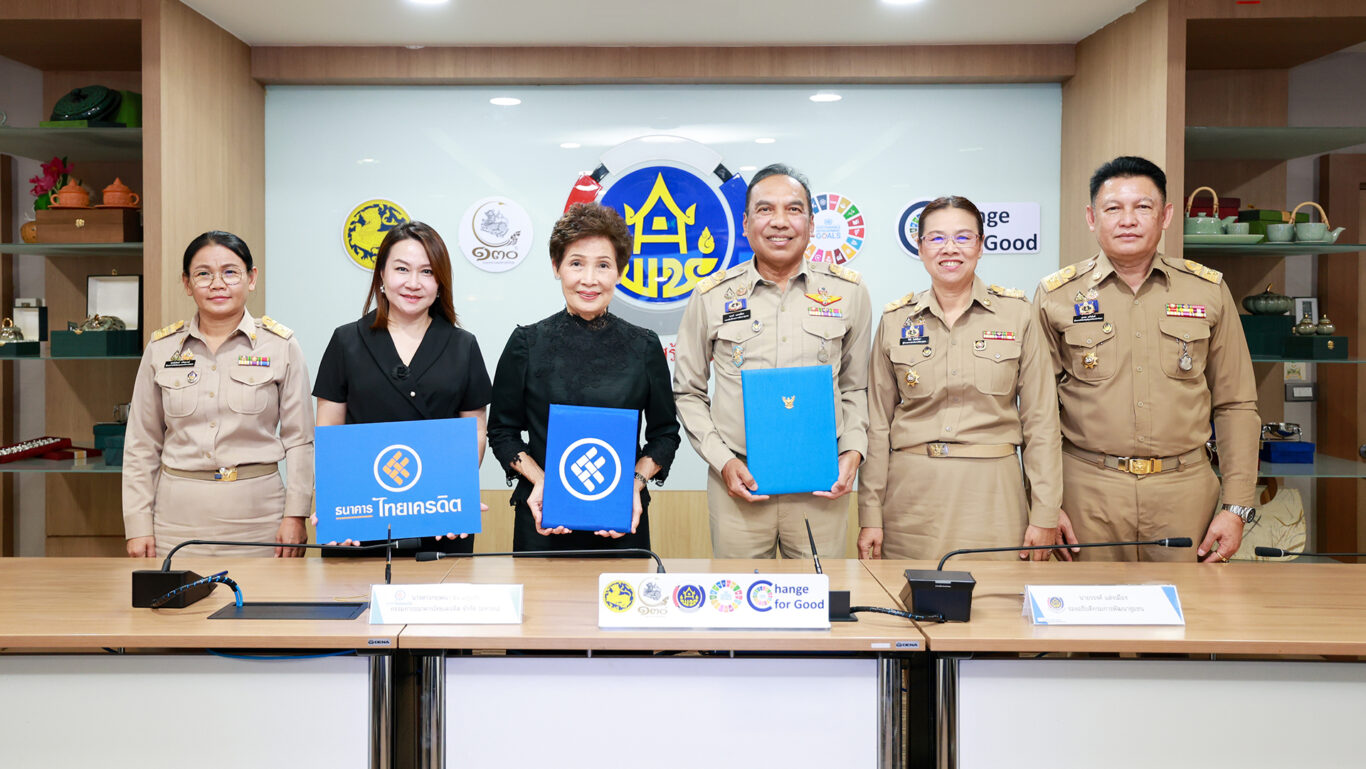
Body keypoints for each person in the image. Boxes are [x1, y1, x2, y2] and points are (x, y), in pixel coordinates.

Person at [1033, 156, 1260, 562]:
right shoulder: (1057, 296)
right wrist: (1045, 505)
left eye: (1142, 207)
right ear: (1091, 218)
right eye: (1113, 208)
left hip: (1184, 494)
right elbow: (1037, 413)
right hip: (1086, 494)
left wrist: (1237, 505)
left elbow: (1237, 404)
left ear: (1166, 215)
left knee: (1190, 602)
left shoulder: (1207, 291)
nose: (1128, 220)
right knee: (1086, 603)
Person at [673, 163, 871, 559]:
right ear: (746, 224)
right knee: (741, 595)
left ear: (811, 225)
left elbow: (856, 387)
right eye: (765, 210)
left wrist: (853, 451)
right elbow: (688, 392)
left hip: (821, 485)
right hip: (739, 484)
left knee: (819, 591)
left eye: (793, 209)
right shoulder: (711, 296)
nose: (780, 221)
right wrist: (722, 461)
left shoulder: (849, 292)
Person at [858, 197, 1064, 561]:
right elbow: (877, 426)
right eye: (937, 238)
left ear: (981, 246)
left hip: (993, 493)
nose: (950, 249)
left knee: (996, 594)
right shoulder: (896, 320)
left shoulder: (1017, 315)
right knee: (910, 593)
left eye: (963, 237)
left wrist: (1045, 510)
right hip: (911, 496)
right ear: (920, 247)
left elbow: (1041, 422)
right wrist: (870, 513)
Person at [488, 202, 680, 551]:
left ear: (620, 271)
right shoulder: (526, 343)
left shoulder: (644, 346)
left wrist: (634, 484)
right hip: (543, 516)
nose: (589, 279)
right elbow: (502, 432)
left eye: (603, 265)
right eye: (576, 263)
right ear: (556, 267)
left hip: (622, 518)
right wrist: (542, 482)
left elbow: (665, 435)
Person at [123, 231, 313, 558]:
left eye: (230, 272)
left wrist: (295, 515)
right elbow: (142, 444)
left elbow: (300, 440)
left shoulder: (281, 346)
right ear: (187, 283)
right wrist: (138, 524)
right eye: (203, 274)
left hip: (259, 519)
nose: (217, 284)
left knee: (262, 593)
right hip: (175, 522)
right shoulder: (161, 348)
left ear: (251, 278)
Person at [314, 220, 491, 555]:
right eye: (401, 269)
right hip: (360, 515)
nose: (413, 283)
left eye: (427, 272)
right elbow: (329, 432)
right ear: (381, 274)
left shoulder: (463, 345)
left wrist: (459, 492)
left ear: (440, 282)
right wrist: (335, 502)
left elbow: (475, 431)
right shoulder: (346, 341)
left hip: (440, 517)